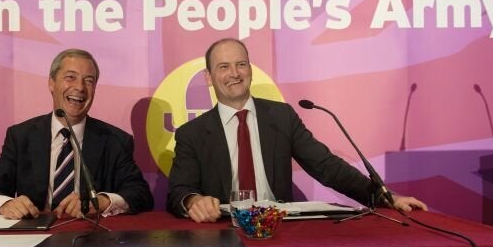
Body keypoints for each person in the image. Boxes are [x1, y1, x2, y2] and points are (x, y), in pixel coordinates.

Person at [166, 38, 427, 222]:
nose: (234, 73)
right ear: (209, 77)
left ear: (250, 70)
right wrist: (192, 201)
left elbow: (327, 166)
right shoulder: (192, 133)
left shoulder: (281, 116)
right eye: (223, 67)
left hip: (280, 229)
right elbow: (179, 190)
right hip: (222, 231)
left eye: (241, 64)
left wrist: (384, 196)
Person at [0, 49, 154, 219]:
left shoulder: (115, 140)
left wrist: (102, 201)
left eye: (89, 81)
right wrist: (7, 204)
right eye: (70, 77)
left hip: (89, 237)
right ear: (51, 83)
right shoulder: (21, 136)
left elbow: (141, 194)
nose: (80, 87)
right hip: (33, 237)